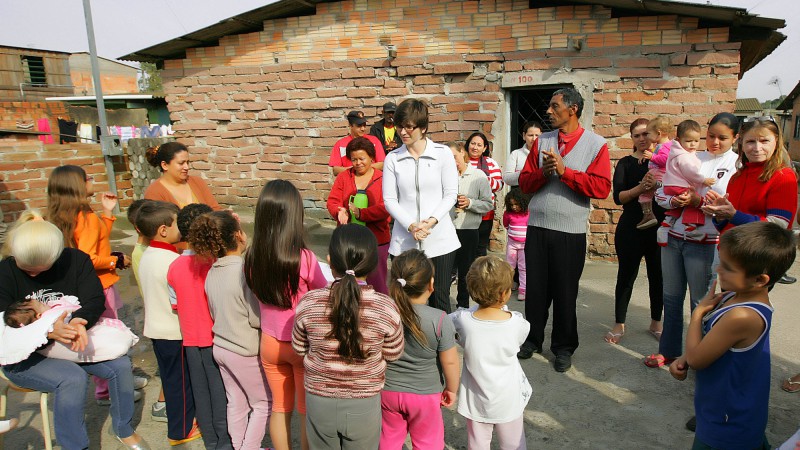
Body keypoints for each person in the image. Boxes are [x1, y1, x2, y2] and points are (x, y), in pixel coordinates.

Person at [0, 218, 150, 449]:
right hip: (26, 353)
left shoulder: (76, 261)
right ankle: (75, 446)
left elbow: (94, 299)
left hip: (72, 342)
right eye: (25, 268)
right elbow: (5, 325)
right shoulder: (5, 272)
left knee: (120, 366)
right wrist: (48, 332)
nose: (31, 274)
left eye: (38, 269)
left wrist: (81, 322)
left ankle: (123, 428)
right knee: (71, 378)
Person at [669, 222, 796, 449]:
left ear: (760, 280)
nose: (718, 270)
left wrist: (698, 314)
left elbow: (698, 359)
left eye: (728, 267)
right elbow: (711, 344)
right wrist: (685, 357)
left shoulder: (742, 316)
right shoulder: (734, 297)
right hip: (729, 409)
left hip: (727, 422)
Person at [700, 116, 799, 395]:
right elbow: (732, 223)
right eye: (750, 141)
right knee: (719, 318)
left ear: (777, 142)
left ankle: (729, 394)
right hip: (729, 254)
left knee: (738, 327)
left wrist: (733, 214)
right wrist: (719, 215)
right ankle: (714, 385)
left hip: (755, 263)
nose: (757, 147)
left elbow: (778, 227)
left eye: (764, 141)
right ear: (741, 143)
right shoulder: (740, 174)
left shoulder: (782, 175)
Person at [517, 87, 612, 372]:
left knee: (565, 291)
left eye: (554, 106)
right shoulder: (543, 141)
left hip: (570, 231)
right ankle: (532, 339)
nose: (548, 111)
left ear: (573, 110)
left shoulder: (596, 144)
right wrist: (544, 173)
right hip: (537, 226)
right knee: (535, 290)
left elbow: (601, 187)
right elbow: (524, 183)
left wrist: (565, 172)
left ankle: (563, 347)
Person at [292, 224, 403, 449]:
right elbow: (393, 353)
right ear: (372, 264)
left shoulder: (309, 302)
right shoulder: (386, 308)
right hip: (364, 402)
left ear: (330, 260)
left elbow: (299, 346)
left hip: (319, 400)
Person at [646, 112, 740, 369]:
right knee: (671, 297)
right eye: (710, 136)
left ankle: (699, 357)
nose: (714, 142)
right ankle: (669, 351)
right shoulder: (690, 155)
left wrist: (698, 201)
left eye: (722, 138)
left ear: (735, 137)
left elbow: (725, 204)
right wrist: (673, 201)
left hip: (705, 240)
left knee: (700, 302)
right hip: (675, 236)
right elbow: (662, 192)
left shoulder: (735, 165)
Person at [45, 165, 145, 405]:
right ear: (77, 185)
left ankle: (117, 381)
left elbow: (95, 241)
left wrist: (107, 213)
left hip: (82, 285)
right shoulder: (86, 217)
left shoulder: (68, 215)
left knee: (95, 332)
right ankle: (109, 389)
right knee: (105, 335)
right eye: (87, 178)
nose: (91, 180)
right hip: (99, 285)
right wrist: (115, 260)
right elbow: (89, 257)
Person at [246, 180, 327, 450]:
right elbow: (322, 294)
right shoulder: (304, 258)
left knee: (279, 408)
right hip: (302, 344)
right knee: (305, 410)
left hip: (269, 343)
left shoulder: (252, 257)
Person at [194, 210, 270, 450]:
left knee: (236, 403)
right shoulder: (243, 271)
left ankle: (239, 446)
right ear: (238, 235)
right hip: (244, 349)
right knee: (264, 403)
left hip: (221, 347)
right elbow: (256, 317)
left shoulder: (213, 272)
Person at [383, 98, 461, 313]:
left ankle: (442, 344)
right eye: (400, 126)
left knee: (440, 299)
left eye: (409, 126)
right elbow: (389, 199)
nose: (403, 132)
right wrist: (411, 225)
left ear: (423, 127)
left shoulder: (442, 154)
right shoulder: (393, 158)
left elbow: (450, 194)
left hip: (440, 238)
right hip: (404, 240)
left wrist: (431, 222)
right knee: (404, 300)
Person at [136, 201, 202, 446]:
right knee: (180, 383)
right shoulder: (171, 261)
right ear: (164, 229)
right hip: (173, 332)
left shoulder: (148, 255)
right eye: (176, 223)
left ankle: (181, 424)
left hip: (156, 329)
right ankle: (181, 430)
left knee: (171, 379)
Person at [380, 249, 460, 449]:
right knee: (427, 443)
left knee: (388, 439)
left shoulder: (384, 313)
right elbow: (450, 361)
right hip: (425, 395)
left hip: (387, 391)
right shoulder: (440, 319)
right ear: (431, 284)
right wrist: (452, 389)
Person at [167, 203, 232, 450]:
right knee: (220, 394)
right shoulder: (214, 263)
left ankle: (211, 442)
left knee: (201, 394)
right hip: (216, 338)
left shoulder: (174, 267)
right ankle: (224, 442)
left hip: (190, 340)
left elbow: (175, 304)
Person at [450, 256, 531, 449]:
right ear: (504, 294)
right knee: (513, 444)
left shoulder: (462, 320)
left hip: (476, 398)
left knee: (477, 444)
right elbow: (519, 340)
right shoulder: (517, 323)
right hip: (508, 398)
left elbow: (450, 328)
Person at [605, 118, 664, 345]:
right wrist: (641, 188)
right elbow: (618, 197)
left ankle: (656, 321)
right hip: (630, 227)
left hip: (658, 227)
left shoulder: (663, 163)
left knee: (657, 276)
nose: (642, 139)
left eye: (645, 134)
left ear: (655, 136)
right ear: (632, 138)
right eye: (637, 135)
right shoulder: (625, 164)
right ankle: (619, 322)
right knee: (626, 275)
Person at [326, 136, 391, 294]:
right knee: (348, 282)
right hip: (349, 241)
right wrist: (339, 210)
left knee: (377, 283)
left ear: (371, 157)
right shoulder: (344, 177)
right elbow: (333, 201)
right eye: (353, 159)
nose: (358, 163)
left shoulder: (383, 178)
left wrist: (362, 213)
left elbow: (386, 207)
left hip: (376, 240)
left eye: (362, 158)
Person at [1, 295, 138, 364]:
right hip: (79, 339)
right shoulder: (49, 319)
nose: (45, 303)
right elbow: (64, 316)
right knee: (114, 344)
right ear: (39, 316)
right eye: (41, 304)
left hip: (85, 327)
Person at [449, 143, 493, 309]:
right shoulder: (445, 175)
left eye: (454, 157)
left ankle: (463, 306)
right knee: (445, 271)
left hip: (469, 229)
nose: (452, 162)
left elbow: (488, 204)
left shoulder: (478, 175)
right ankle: (442, 306)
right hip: (448, 230)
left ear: (462, 152)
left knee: (466, 271)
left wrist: (470, 203)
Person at [660, 120, 717, 239]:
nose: (693, 145)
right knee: (693, 202)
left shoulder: (678, 152)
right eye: (688, 141)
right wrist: (703, 180)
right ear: (678, 139)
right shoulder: (683, 156)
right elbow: (690, 172)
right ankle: (691, 227)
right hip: (679, 185)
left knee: (681, 204)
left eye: (696, 141)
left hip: (671, 185)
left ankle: (668, 221)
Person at [144, 142, 221, 210]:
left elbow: (215, 209)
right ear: (164, 165)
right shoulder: (154, 192)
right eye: (181, 163)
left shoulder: (198, 182)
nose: (187, 167)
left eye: (187, 162)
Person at [465, 132, 504, 257]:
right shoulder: (461, 161)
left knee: (480, 248)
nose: (475, 147)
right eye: (473, 144)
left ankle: (478, 276)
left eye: (479, 145)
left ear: (485, 148)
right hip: (464, 211)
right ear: (468, 145)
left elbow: (499, 185)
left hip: (485, 214)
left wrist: (482, 178)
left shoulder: (490, 163)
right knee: (464, 248)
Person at [636, 116, 673, 230]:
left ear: (658, 133)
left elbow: (665, 160)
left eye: (648, 133)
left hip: (659, 172)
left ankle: (648, 215)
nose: (646, 136)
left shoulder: (666, 146)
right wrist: (649, 155)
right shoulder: (662, 145)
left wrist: (652, 156)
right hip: (658, 172)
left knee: (644, 193)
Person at [329, 110, 386, 175]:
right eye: (359, 126)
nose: (363, 128)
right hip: (349, 181)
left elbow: (382, 164)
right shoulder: (340, 144)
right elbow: (336, 170)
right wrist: (355, 169)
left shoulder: (374, 141)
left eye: (364, 125)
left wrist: (361, 168)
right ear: (350, 125)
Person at [503, 188, 531, 302]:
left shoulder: (528, 214)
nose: (514, 207)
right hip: (512, 244)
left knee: (523, 267)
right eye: (512, 204)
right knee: (509, 267)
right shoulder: (508, 214)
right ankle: (508, 286)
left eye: (517, 204)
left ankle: (523, 289)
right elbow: (506, 225)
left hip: (525, 245)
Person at [503, 120, 543, 188]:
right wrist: (525, 173)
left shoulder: (546, 153)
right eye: (530, 135)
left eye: (537, 135)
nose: (534, 139)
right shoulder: (516, 154)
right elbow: (507, 178)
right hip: (521, 194)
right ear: (524, 136)